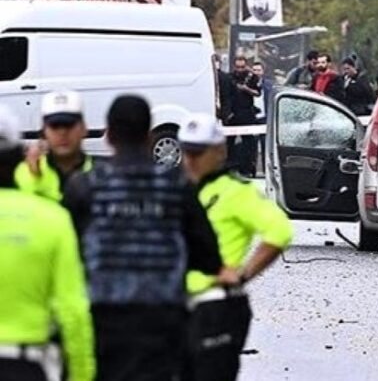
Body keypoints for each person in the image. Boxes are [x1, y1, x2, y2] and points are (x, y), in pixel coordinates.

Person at [62, 95, 235, 381]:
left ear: (108, 135)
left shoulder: (85, 187)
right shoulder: (176, 186)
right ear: (148, 135)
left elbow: (68, 251)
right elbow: (207, 255)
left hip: (102, 317)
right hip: (162, 318)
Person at [178, 113, 293, 381]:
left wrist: (244, 274)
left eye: (199, 152)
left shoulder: (237, 192)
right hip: (173, 306)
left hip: (216, 305)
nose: (191, 160)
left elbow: (279, 231)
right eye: (187, 151)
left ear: (219, 151)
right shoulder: (176, 189)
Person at [0, 105, 95, 381]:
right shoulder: (52, 219)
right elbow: (72, 310)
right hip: (27, 364)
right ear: (19, 157)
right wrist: (82, 374)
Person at [15, 91, 94, 202]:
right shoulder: (22, 173)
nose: (62, 133)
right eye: (55, 126)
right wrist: (35, 179)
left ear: (84, 129)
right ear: (43, 132)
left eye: (69, 125)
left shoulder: (102, 173)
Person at [228, 56, 260, 178]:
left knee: (248, 142)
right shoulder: (230, 77)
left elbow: (257, 93)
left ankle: (246, 168)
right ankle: (230, 168)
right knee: (229, 142)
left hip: (246, 112)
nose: (240, 70)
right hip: (233, 112)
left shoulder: (252, 77)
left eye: (242, 67)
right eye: (238, 67)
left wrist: (247, 89)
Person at [251, 61, 274, 174]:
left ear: (263, 71)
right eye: (254, 70)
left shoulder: (269, 85)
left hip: (265, 119)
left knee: (266, 145)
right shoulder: (248, 85)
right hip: (251, 119)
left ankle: (266, 172)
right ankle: (252, 171)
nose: (256, 72)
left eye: (258, 70)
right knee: (251, 147)